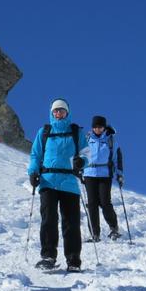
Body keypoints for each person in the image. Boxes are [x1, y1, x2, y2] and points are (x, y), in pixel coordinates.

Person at [28, 98, 90, 272]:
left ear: (67, 113)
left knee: (71, 222)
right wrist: (33, 172)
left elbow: (87, 153)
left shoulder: (76, 132)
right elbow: (35, 155)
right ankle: (48, 256)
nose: (58, 113)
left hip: (69, 182)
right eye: (55, 110)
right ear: (51, 113)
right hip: (48, 181)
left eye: (62, 110)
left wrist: (81, 161)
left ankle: (73, 260)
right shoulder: (44, 132)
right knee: (48, 219)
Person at [83, 115, 123, 241]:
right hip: (89, 174)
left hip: (105, 174)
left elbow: (117, 158)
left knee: (105, 202)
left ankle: (114, 228)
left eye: (100, 127)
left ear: (104, 127)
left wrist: (119, 174)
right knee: (92, 204)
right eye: (95, 127)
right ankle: (95, 234)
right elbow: (80, 156)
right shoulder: (87, 139)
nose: (97, 129)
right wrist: (77, 168)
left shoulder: (111, 140)